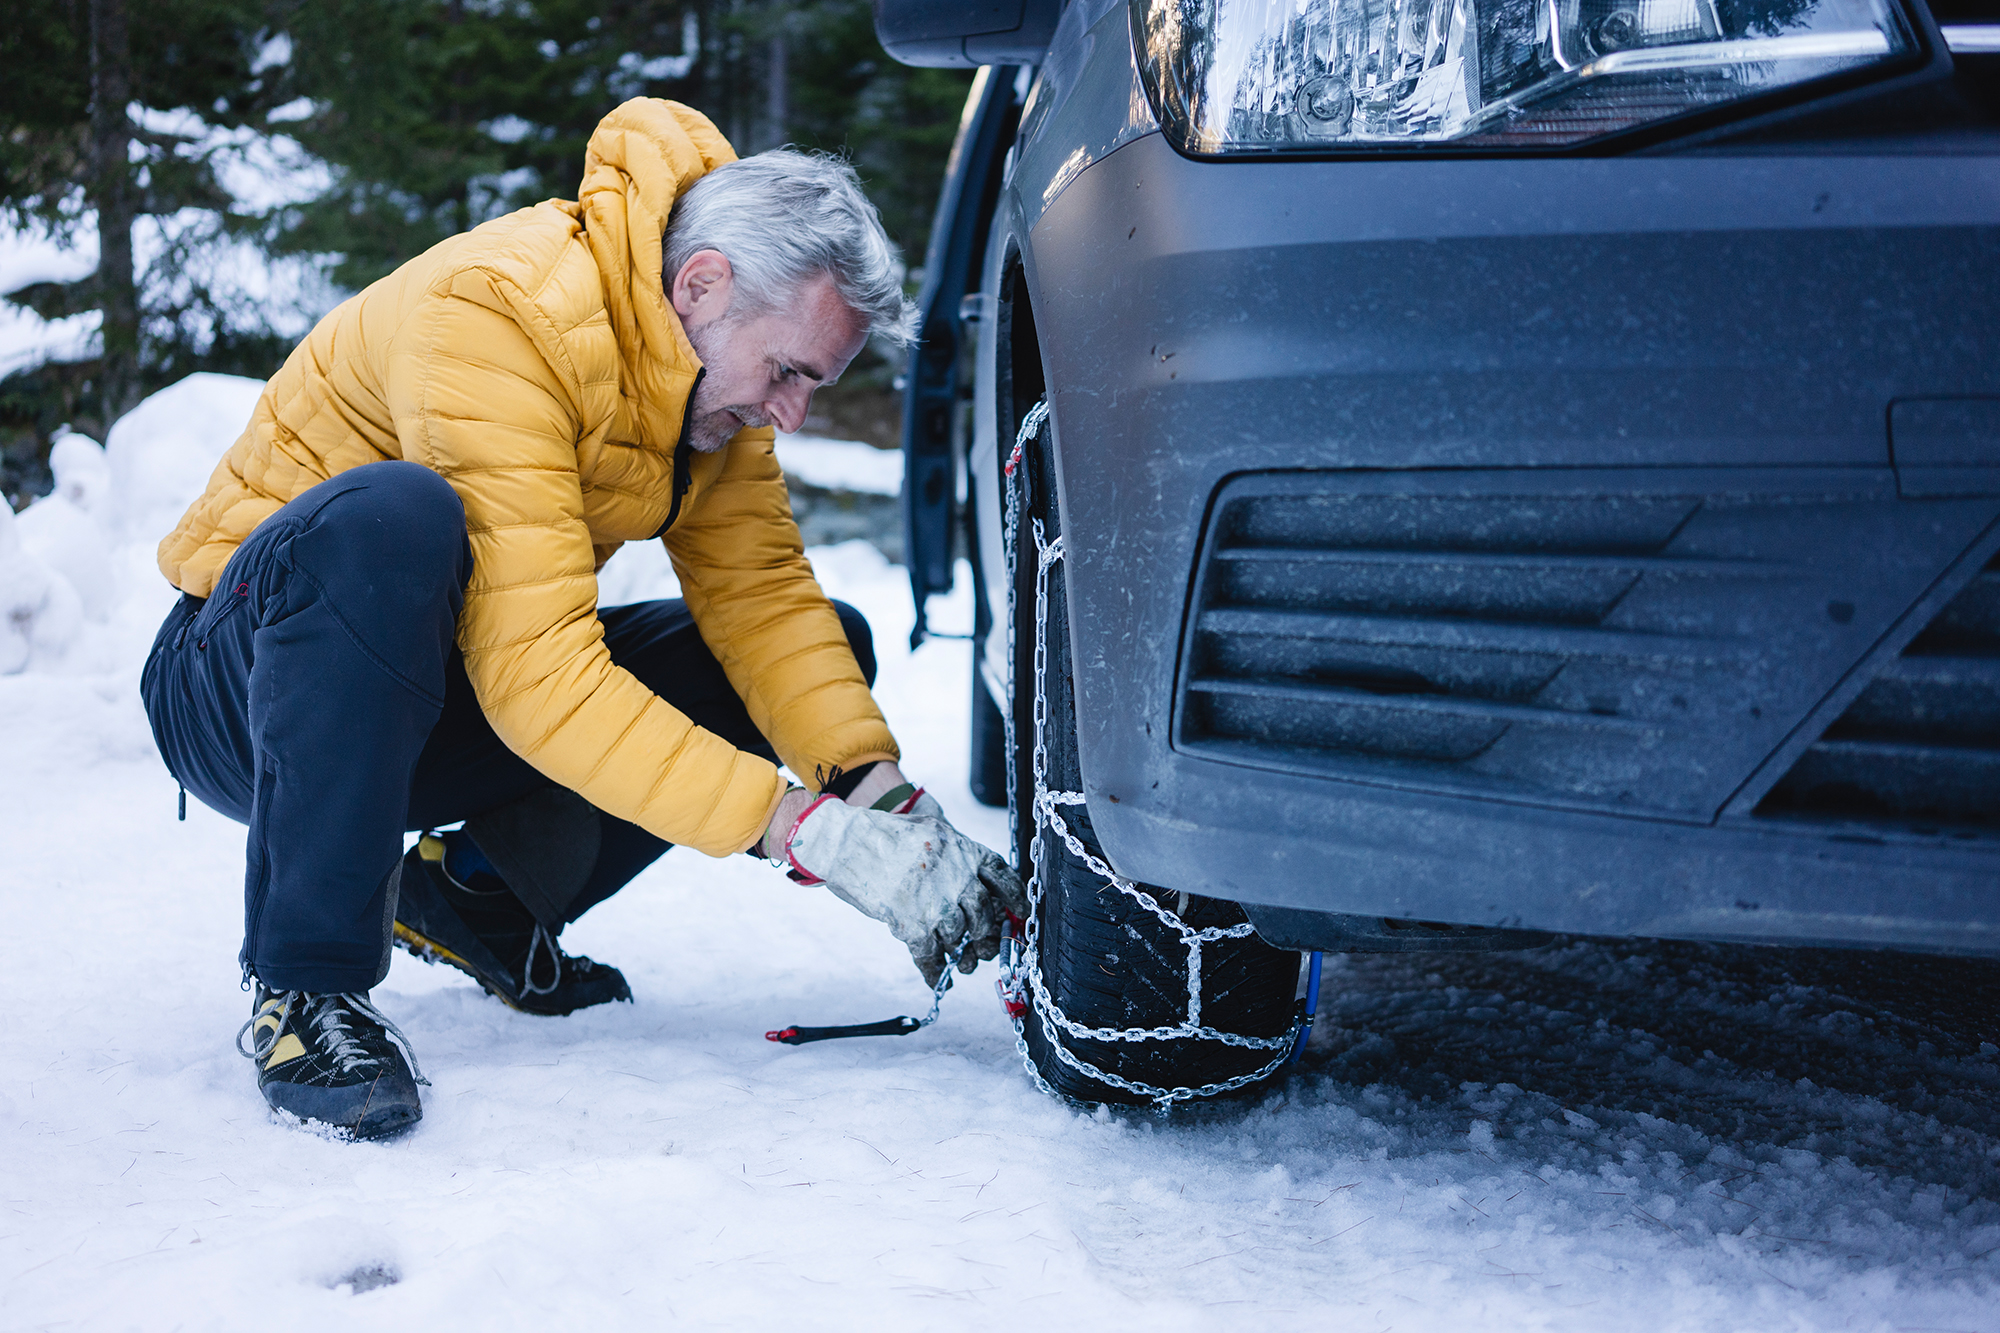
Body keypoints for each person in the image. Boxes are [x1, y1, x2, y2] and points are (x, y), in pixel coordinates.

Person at [139, 98, 1024, 1141]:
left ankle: (476, 893)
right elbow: (540, 679)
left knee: (811, 642)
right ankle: (306, 992)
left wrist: (881, 801)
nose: (791, 413)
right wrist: (801, 832)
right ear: (701, 286)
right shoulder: (500, 312)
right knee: (397, 519)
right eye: (788, 372)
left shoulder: (703, 375)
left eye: (812, 385)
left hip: (426, 698)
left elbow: (763, 601)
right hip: (247, 688)